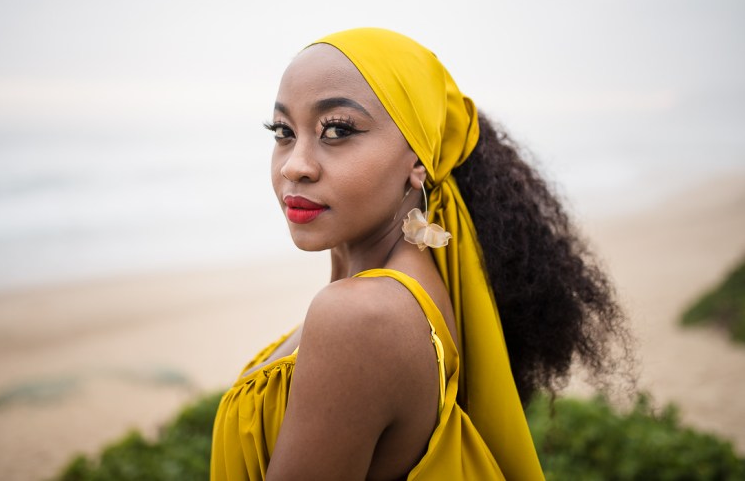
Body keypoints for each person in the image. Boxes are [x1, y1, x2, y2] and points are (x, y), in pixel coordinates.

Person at [210, 28, 630, 480]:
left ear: (419, 160)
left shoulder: (361, 317)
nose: (295, 164)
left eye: (336, 130)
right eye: (283, 131)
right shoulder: (398, 291)